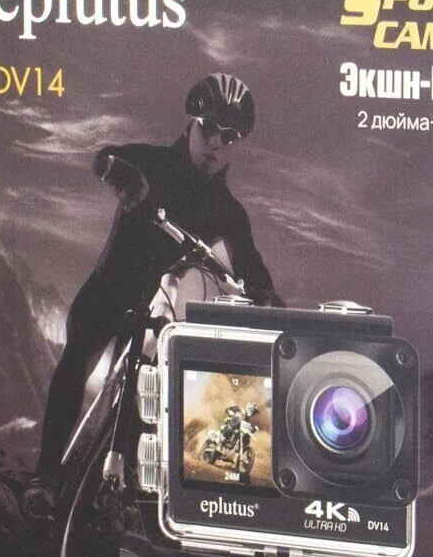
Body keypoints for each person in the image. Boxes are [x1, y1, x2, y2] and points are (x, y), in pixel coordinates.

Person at [35, 73, 281, 483]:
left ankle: (113, 494)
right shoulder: (151, 162)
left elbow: (251, 264)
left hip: (155, 311)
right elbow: (106, 158)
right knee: (75, 365)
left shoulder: (227, 210)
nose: (215, 143)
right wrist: (123, 176)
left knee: (143, 399)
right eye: (208, 128)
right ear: (191, 124)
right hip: (109, 288)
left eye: (229, 136)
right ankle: (43, 478)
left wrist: (267, 297)